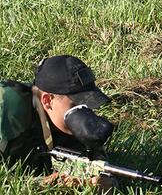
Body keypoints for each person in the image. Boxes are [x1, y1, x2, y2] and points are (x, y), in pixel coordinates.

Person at [0, 55, 113, 187]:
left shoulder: (66, 123)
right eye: (75, 106)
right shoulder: (7, 112)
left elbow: (95, 162)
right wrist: (45, 184)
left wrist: (99, 180)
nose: (84, 114)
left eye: (88, 106)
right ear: (47, 101)